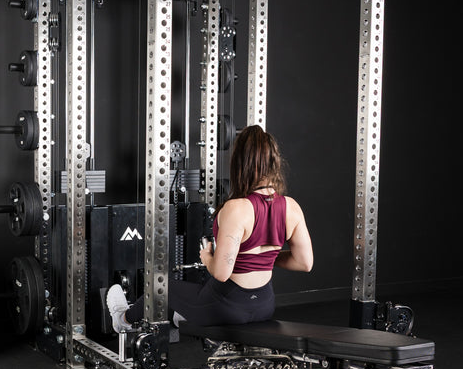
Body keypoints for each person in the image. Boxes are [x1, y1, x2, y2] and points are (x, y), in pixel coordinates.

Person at [107, 125, 313, 330]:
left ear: (240, 163)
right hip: (264, 306)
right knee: (194, 296)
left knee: (159, 285)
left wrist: (207, 258)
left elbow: (221, 273)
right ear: (275, 163)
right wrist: (263, 257)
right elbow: (304, 263)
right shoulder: (292, 207)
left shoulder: (236, 208)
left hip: (226, 308)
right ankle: (182, 316)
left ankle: (122, 319)